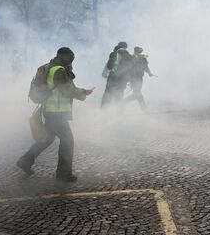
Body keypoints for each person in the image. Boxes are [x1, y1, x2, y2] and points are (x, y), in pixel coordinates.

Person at [16, 47, 94, 182]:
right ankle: (64, 175)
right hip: (56, 112)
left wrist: (81, 90)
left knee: (47, 139)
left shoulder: (49, 66)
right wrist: (83, 93)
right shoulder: (59, 70)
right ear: (65, 58)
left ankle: (26, 160)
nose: (71, 62)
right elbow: (67, 91)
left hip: (50, 110)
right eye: (71, 59)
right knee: (68, 141)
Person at [101, 42, 133, 108]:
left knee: (108, 94)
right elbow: (131, 68)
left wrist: (104, 73)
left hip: (112, 77)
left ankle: (103, 111)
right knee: (119, 95)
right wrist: (129, 79)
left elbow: (108, 66)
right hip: (122, 79)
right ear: (125, 47)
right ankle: (118, 113)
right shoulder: (128, 56)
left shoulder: (114, 53)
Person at [125, 46, 154, 112]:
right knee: (137, 94)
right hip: (137, 78)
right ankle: (122, 103)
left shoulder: (131, 57)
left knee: (137, 94)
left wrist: (149, 73)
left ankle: (144, 109)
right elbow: (145, 67)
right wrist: (149, 73)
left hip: (134, 78)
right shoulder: (141, 58)